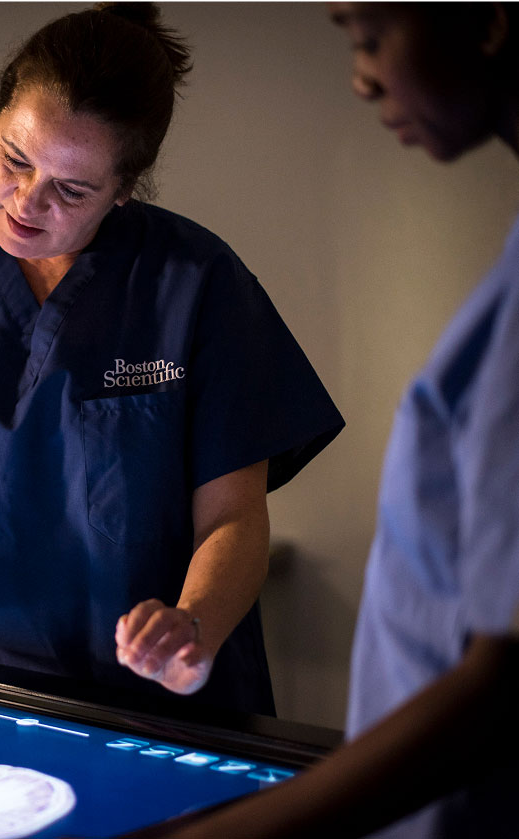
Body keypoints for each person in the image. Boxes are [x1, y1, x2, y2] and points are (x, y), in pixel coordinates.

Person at [0, 2, 343, 715]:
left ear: (123, 190)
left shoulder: (196, 283)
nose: (28, 201)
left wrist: (192, 627)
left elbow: (234, 518)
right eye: (15, 160)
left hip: (160, 705)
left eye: (72, 189)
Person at [138, 3, 519, 837]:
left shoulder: (199, 280)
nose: (361, 76)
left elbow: (504, 684)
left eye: (370, 37)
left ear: (490, 21)